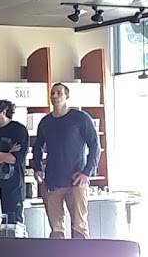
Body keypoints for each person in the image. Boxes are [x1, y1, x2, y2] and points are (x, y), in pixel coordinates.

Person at [31, 83, 101, 239]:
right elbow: (37, 147)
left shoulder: (80, 118)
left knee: (79, 226)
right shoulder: (45, 122)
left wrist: (87, 172)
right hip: (53, 181)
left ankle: (81, 254)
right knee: (56, 228)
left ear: (66, 96)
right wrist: (37, 168)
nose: (55, 96)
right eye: (52, 93)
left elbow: (95, 146)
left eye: (59, 93)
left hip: (76, 180)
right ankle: (58, 254)